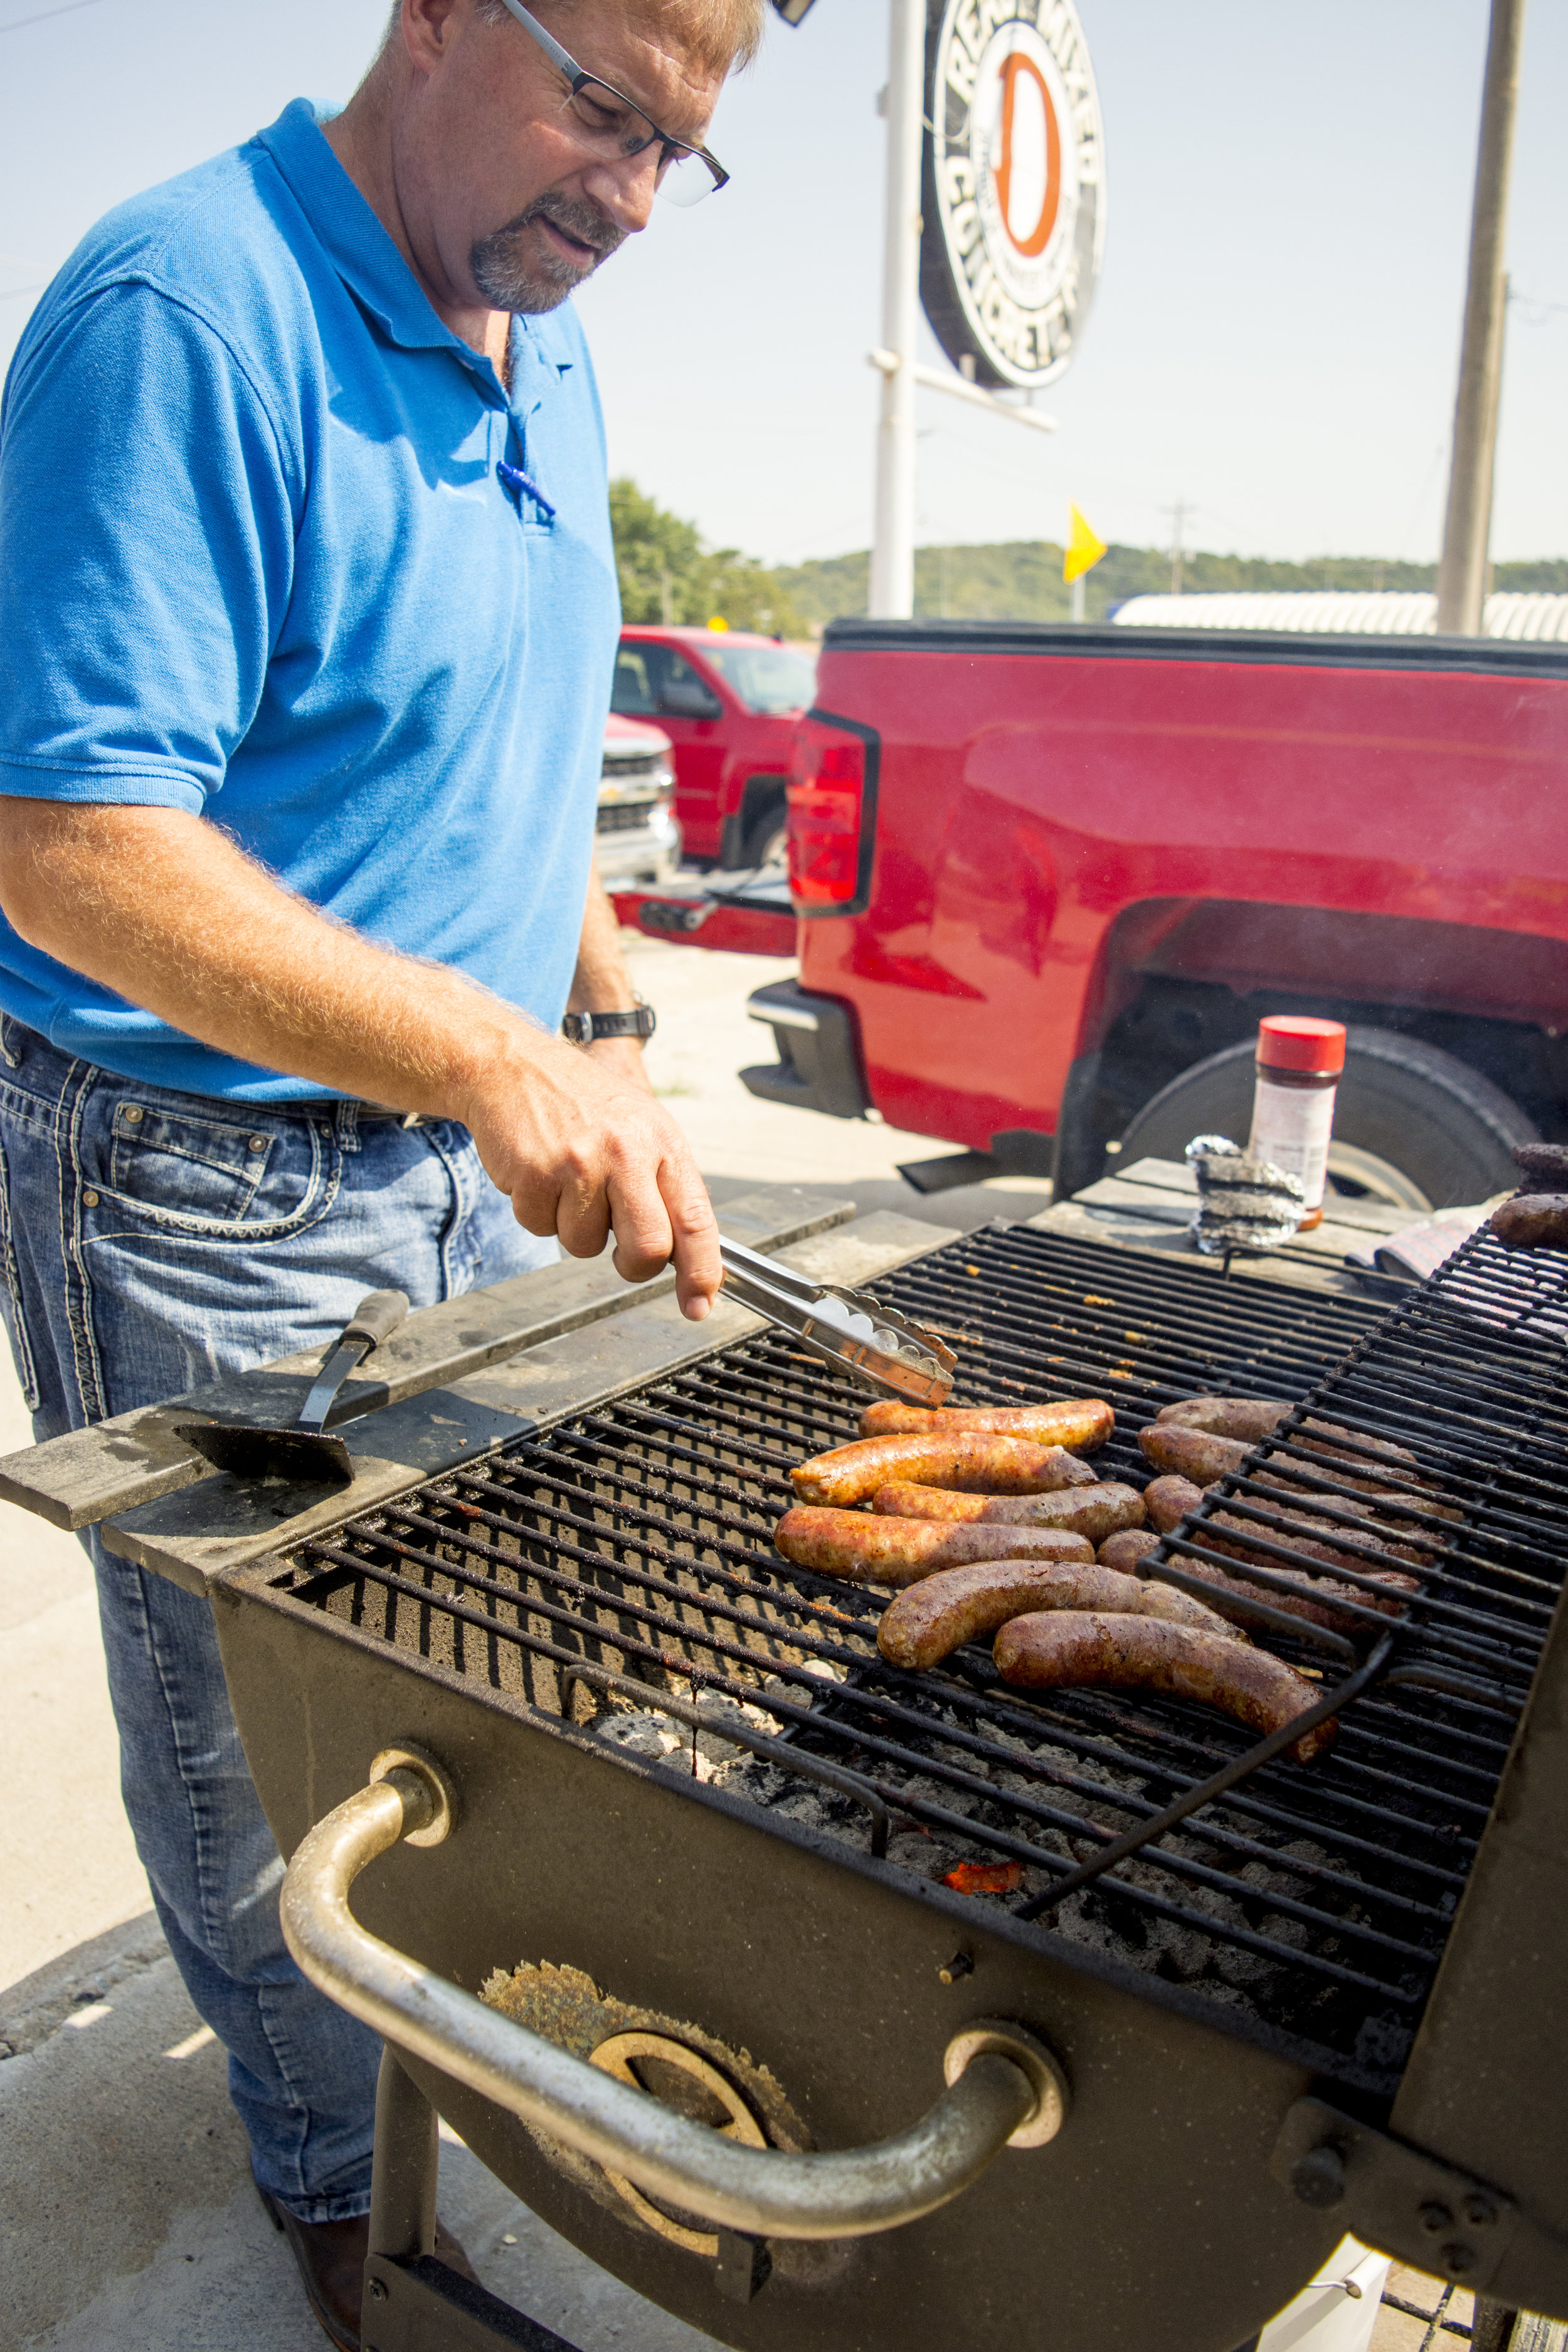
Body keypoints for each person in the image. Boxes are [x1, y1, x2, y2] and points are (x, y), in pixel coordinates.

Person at [0, 0, 763, 2343]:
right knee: (260, 1752)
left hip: (458, 1155)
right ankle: (341, 2191)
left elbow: (493, 724)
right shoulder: (183, 311)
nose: (631, 198)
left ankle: (433, 2058)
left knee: (458, 1680)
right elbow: (69, 846)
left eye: (683, 152)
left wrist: (599, 993)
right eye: (602, 110)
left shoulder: (534, 327)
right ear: (436, 12)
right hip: (206, 1177)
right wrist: (479, 1050)